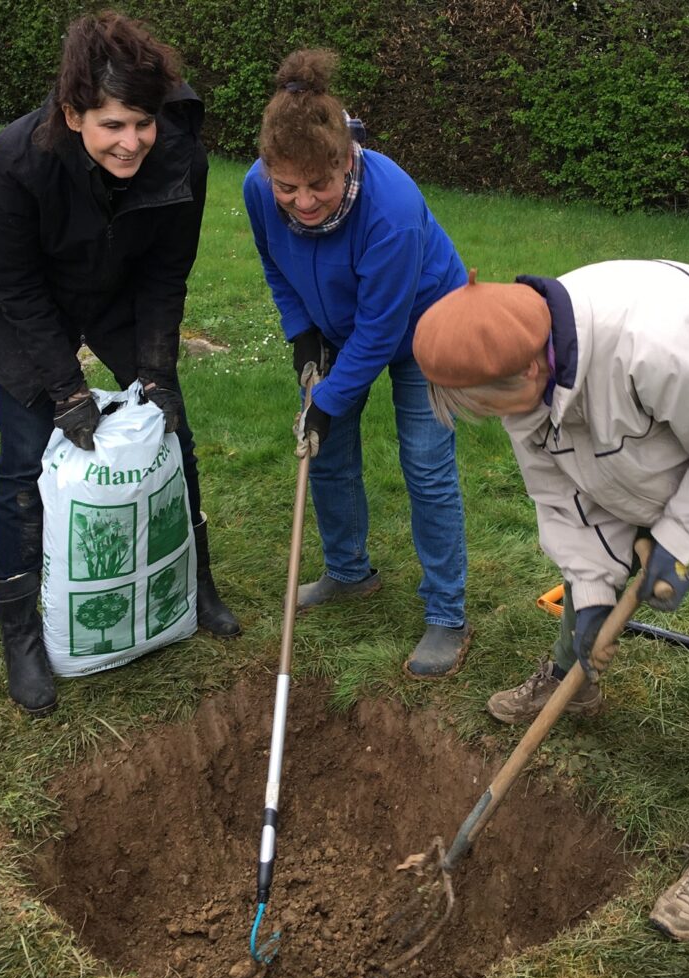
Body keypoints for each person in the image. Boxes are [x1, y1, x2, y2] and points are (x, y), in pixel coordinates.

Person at [411, 260, 689, 940]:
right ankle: (572, 675)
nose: (492, 423)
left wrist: (677, 540)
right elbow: (563, 496)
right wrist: (590, 596)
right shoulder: (519, 363)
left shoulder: (656, 343)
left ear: (532, 373)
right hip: (662, 447)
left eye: (489, 406)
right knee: (592, 589)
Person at [0, 11, 241, 718]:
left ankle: (197, 583)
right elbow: (15, 287)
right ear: (72, 113)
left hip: (119, 290)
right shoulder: (16, 161)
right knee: (25, 457)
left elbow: (166, 274)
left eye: (142, 123)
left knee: (170, 431)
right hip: (24, 306)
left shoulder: (180, 156)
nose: (132, 142)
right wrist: (65, 390)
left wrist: (153, 374)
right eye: (112, 125)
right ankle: (22, 633)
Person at [242, 49, 471, 678]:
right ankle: (348, 573)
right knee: (325, 453)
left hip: (425, 329)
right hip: (341, 329)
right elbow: (275, 266)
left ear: (347, 158)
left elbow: (381, 330)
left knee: (425, 463)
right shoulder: (260, 191)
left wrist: (327, 401)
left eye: (320, 184)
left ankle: (447, 615)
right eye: (287, 187)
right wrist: (302, 335)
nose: (304, 201)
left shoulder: (390, 208)